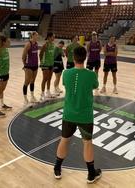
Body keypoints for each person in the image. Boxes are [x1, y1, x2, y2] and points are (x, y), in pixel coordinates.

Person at [54, 46, 101, 183]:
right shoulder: (91, 74)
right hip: (85, 116)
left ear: (73, 58)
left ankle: (57, 168)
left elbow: (65, 85)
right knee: (87, 143)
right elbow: (95, 86)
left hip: (69, 114)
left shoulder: (66, 73)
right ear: (85, 58)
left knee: (64, 140)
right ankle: (91, 174)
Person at [0, 36, 12, 117]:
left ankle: (2, 104)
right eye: (8, 41)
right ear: (4, 42)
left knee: (2, 90)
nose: (9, 43)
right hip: (0, 73)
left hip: (6, 73)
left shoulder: (6, 49)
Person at [22, 31, 39, 106]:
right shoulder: (28, 44)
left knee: (33, 81)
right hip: (29, 66)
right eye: (36, 36)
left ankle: (32, 96)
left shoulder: (36, 44)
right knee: (27, 81)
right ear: (33, 36)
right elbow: (23, 56)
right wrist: (25, 65)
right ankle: (25, 98)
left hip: (35, 65)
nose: (37, 37)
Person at [39, 32, 55, 101]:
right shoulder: (45, 45)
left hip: (51, 64)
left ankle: (48, 92)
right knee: (45, 79)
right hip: (45, 64)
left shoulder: (53, 45)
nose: (54, 38)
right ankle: (42, 94)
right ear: (49, 37)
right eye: (53, 37)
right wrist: (42, 62)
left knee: (49, 79)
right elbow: (40, 54)